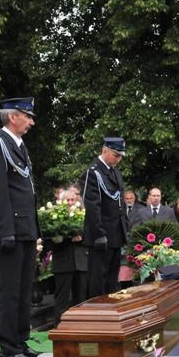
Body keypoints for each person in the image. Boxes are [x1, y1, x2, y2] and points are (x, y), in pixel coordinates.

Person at [0, 97, 40, 357]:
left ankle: (20, 340)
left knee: (24, 289)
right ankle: (7, 348)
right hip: (10, 231)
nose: (31, 122)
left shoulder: (19, 145)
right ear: (13, 116)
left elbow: (27, 191)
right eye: (28, 116)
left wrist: (34, 229)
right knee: (9, 291)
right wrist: (5, 230)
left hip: (25, 229)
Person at [82, 137, 129, 298]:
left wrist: (125, 230)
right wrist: (99, 234)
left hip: (116, 235)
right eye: (116, 155)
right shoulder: (93, 172)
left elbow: (120, 205)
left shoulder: (115, 173)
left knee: (112, 281)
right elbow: (92, 206)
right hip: (101, 237)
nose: (118, 159)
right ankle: (98, 312)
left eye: (120, 156)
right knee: (98, 281)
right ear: (105, 150)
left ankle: (110, 310)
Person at [50, 190, 88, 324]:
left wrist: (82, 237)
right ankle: (60, 326)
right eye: (68, 200)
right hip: (63, 262)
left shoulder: (84, 215)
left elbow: (92, 236)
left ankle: (81, 327)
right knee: (62, 298)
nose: (70, 203)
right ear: (61, 202)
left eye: (73, 200)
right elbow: (49, 241)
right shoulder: (54, 217)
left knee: (81, 298)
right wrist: (66, 237)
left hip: (81, 263)